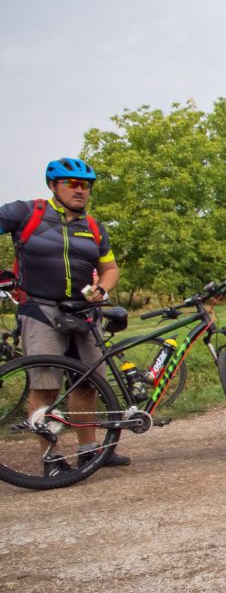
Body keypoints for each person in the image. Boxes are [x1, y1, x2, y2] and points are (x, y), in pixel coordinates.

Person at [0, 157, 130, 474]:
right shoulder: (27, 213)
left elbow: (110, 268)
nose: (80, 190)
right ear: (53, 185)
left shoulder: (94, 228)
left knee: (88, 383)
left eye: (85, 185)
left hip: (84, 312)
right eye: (72, 183)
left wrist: (103, 289)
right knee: (46, 386)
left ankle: (90, 451)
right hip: (40, 309)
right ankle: (52, 459)